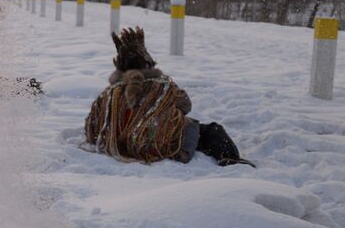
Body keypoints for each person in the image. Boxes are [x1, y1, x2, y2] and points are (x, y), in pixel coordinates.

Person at [84, 27, 249, 166]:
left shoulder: (108, 95)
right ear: (147, 61)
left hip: (118, 145)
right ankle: (230, 159)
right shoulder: (161, 87)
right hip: (157, 144)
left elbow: (92, 125)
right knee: (212, 131)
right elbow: (186, 106)